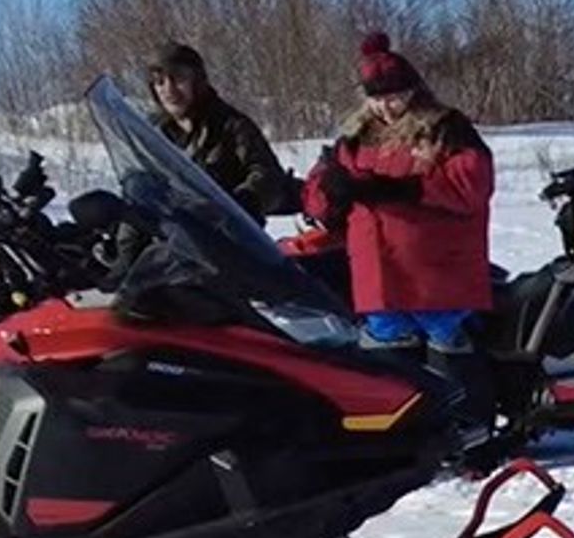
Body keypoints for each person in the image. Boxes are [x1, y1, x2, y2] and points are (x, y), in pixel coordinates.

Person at [301, 33, 494, 358]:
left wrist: (404, 189)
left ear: (412, 91)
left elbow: (472, 185)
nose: (385, 108)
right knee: (391, 367)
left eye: (394, 98)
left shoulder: (445, 127)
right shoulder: (353, 137)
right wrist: (330, 191)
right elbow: (316, 196)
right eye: (376, 99)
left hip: (436, 275)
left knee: (447, 354)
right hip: (378, 275)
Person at [147, 41, 299, 218]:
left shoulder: (231, 125)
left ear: (197, 81)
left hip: (224, 236)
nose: (169, 89)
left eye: (179, 79)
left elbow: (267, 174)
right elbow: (142, 182)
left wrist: (245, 201)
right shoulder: (153, 133)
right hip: (174, 232)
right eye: (159, 82)